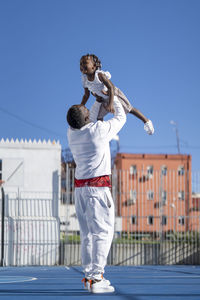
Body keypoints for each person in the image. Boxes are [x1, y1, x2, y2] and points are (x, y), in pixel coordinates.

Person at [67, 96, 126, 293]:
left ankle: (89, 278)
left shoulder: (72, 132)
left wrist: (98, 98)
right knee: (103, 233)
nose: (87, 110)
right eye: (85, 110)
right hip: (98, 191)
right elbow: (121, 117)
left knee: (87, 235)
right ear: (85, 119)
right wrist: (113, 95)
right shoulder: (97, 131)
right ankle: (97, 277)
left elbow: (89, 115)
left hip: (81, 192)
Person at [80, 53, 154, 135]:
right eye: (81, 64)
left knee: (129, 109)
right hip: (103, 99)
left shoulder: (99, 75)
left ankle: (146, 121)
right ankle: (101, 133)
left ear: (93, 66)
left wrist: (111, 104)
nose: (82, 65)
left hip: (113, 94)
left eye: (85, 63)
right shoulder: (84, 79)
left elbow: (111, 87)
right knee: (99, 116)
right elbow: (86, 95)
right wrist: (81, 106)